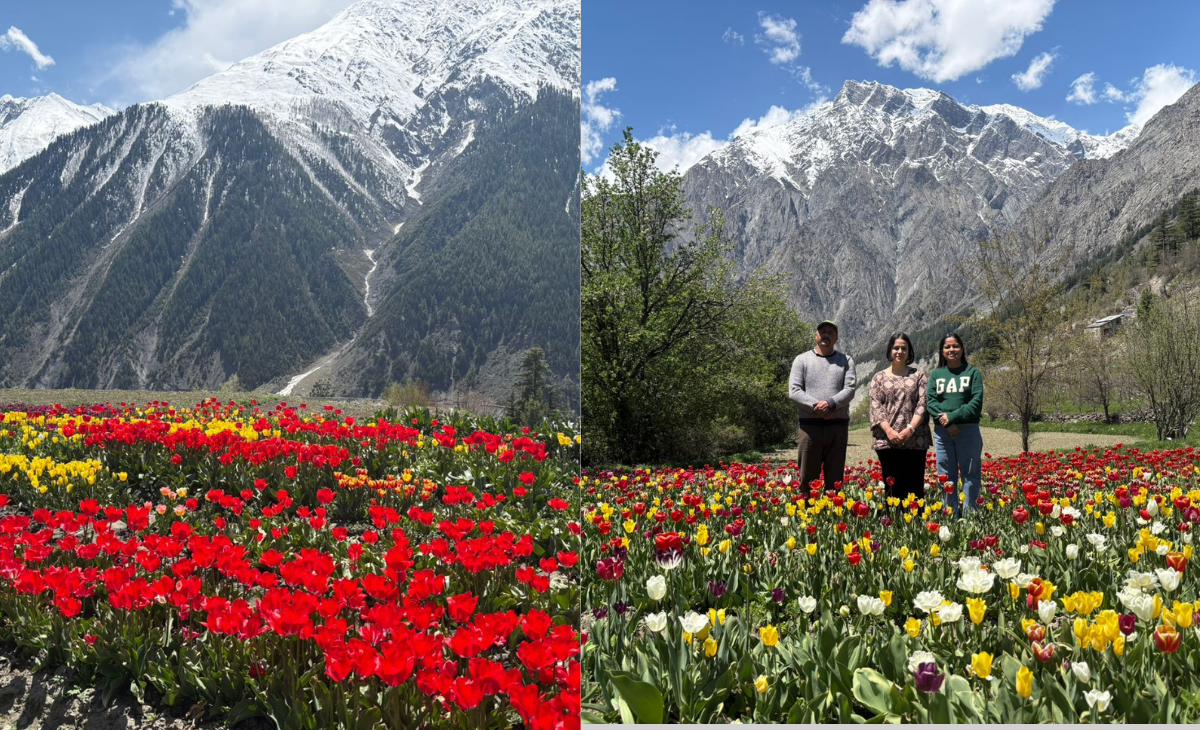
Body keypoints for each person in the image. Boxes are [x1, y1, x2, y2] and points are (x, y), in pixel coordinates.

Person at [789, 320, 856, 490]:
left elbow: (849, 389)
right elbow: (794, 391)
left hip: (837, 426)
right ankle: (805, 513)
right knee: (807, 478)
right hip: (809, 428)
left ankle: (832, 515)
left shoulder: (846, 361)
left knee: (835, 480)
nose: (826, 335)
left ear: (836, 338)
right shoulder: (801, 360)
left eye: (830, 333)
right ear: (816, 336)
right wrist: (818, 407)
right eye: (823, 331)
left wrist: (830, 404)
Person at [868, 333, 931, 511]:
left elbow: (923, 403)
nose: (900, 351)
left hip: (915, 439)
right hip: (887, 440)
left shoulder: (919, 376)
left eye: (904, 348)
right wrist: (889, 431)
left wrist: (910, 428)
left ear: (909, 351)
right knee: (892, 485)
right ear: (890, 350)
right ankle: (893, 524)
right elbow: (876, 406)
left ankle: (915, 526)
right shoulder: (878, 378)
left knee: (914, 485)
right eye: (896, 348)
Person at [925, 333, 984, 518]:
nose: (952, 350)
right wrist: (946, 422)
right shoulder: (936, 374)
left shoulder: (972, 372)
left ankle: (970, 516)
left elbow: (976, 403)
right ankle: (951, 515)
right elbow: (931, 402)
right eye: (947, 347)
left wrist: (951, 417)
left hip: (968, 430)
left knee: (970, 474)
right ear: (942, 351)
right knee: (946, 476)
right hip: (943, 433)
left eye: (955, 346)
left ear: (962, 349)